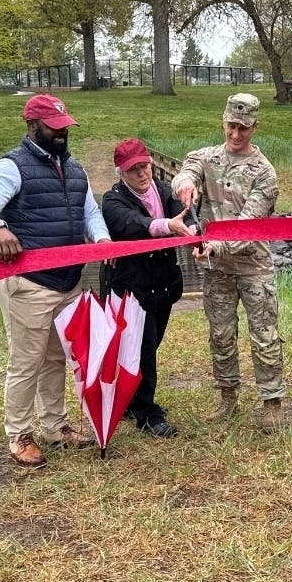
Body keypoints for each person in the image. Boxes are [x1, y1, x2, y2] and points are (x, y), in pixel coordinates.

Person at [0, 94, 111, 466]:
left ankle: (55, 425)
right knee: (26, 361)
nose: (62, 133)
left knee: (55, 357)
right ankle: (19, 434)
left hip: (68, 282)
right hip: (28, 282)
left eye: (65, 127)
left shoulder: (75, 169)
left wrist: (101, 238)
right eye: (54, 127)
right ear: (33, 126)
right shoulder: (11, 167)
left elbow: (89, 212)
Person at [171, 93, 286, 431]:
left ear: (255, 127)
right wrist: (186, 185)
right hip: (217, 270)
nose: (236, 135)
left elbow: (249, 224)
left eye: (244, 128)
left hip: (253, 266)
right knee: (220, 333)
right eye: (231, 126)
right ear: (223, 122)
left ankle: (272, 401)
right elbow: (186, 172)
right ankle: (227, 396)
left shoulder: (265, 174)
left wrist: (214, 246)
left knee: (264, 334)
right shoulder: (206, 157)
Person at [100, 138, 197, 438]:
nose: (142, 174)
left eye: (145, 166)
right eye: (134, 170)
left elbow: (185, 213)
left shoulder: (164, 189)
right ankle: (146, 414)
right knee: (142, 349)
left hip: (163, 284)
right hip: (131, 288)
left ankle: (129, 398)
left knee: (151, 344)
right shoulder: (112, 200)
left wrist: (194, 232)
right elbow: (134, 223)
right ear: (121, 172)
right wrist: (167, 226)